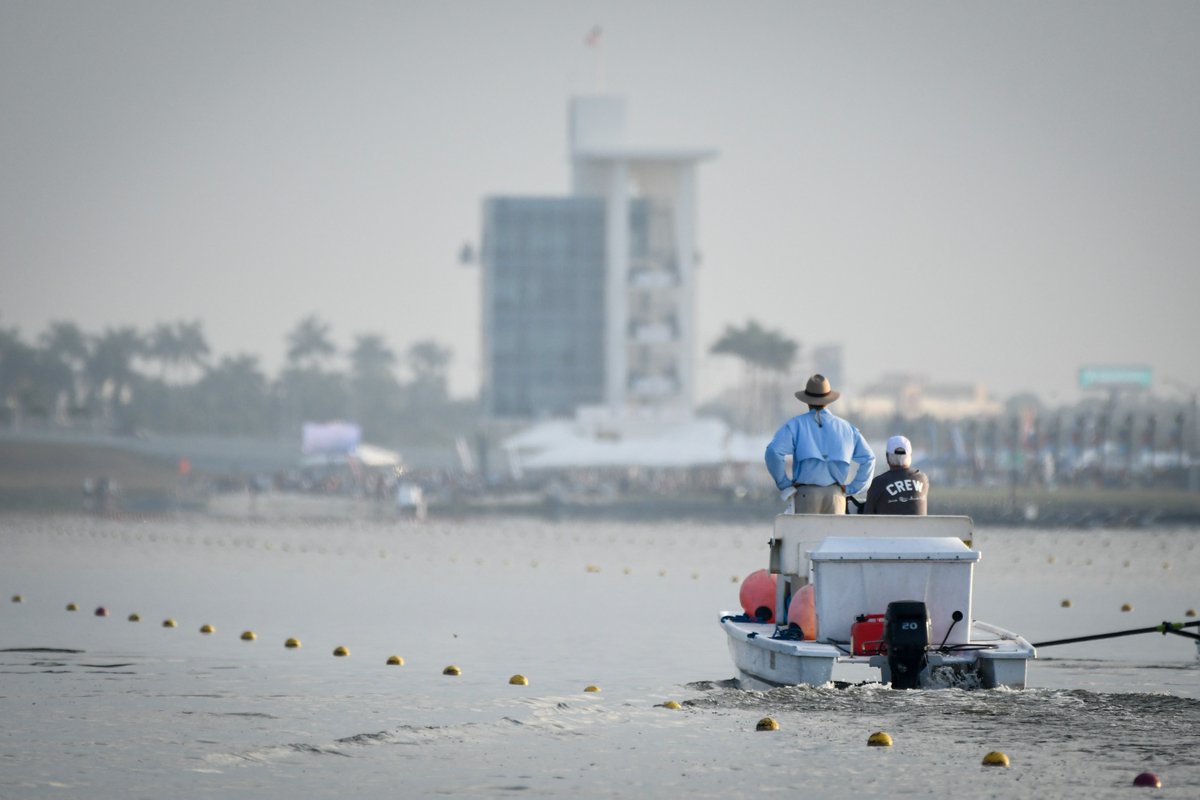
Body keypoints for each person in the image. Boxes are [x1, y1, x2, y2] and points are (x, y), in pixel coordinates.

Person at [765, 374, 876, 514]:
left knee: (805, 535)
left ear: (807, 401)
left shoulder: (795, 425)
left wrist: (784, 484)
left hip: (805, 494)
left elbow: (773, 451)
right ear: (828, 400)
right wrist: (852, 488)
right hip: (836, 496)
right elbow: (869, 459)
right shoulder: (847, 428)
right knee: (833, 535)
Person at [864, 435, 929, 515]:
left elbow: (867, 516)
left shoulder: (878, 482)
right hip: (919, 527)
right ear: (910, 456)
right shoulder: (922, 479)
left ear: (887, 457)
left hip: (887, 527)